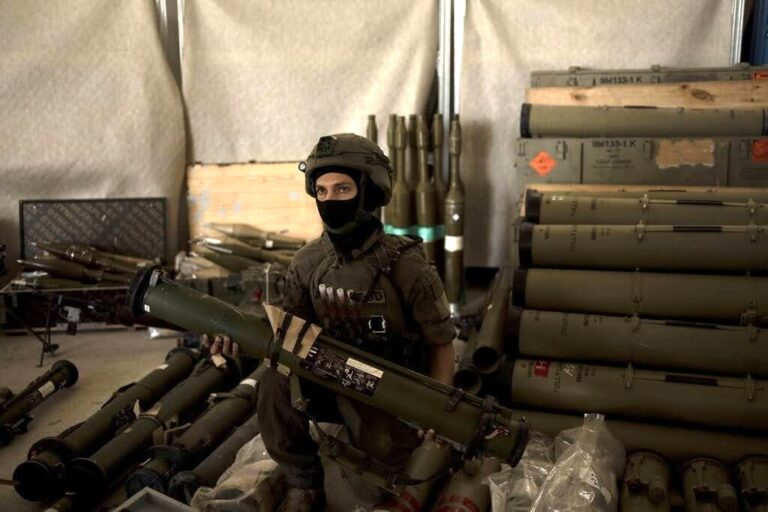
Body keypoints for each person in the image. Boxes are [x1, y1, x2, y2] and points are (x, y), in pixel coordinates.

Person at [205, 133, 455, 511]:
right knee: (273, 382)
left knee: (371, 492)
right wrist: (238, 336)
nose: (330, 200)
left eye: (342, 189)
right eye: (321, 191)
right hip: (328, 378)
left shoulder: (406, 266)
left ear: (370, 192)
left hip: (391, 390)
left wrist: (434, 408)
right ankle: (303, 482)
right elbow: (289, 333)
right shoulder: (307, 263)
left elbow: (441, 344)